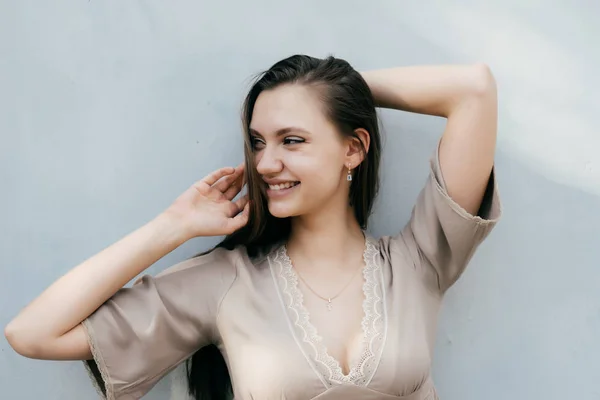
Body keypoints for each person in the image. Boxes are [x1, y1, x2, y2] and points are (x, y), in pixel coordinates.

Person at [5, 54, 501, 400]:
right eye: (258, 142)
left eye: (292, 139)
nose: (265, 163)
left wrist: (332, 91)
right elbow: (32, 333)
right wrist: (172, 227)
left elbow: (473, 89)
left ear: (353, 148)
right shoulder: (226, 283)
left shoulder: (419, 262)